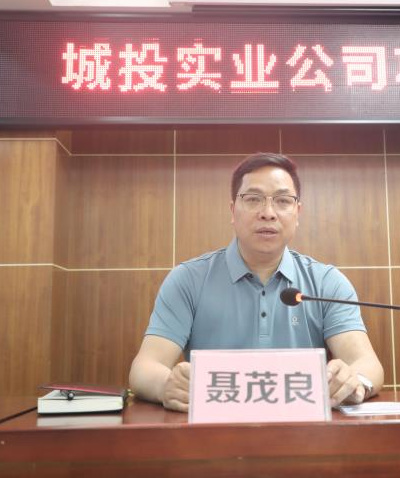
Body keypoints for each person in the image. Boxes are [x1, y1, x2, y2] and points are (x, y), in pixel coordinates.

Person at [129, 152, 384, 412]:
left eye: (283, 201)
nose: (268, 213)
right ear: (233, 211)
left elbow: (367, 364)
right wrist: (167, 385)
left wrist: (354, 382)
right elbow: (145, 367)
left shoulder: (326, 282)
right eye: (253, 199)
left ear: (297, 212)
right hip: (215, 428)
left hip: (303, 429)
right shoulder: (188, 280)